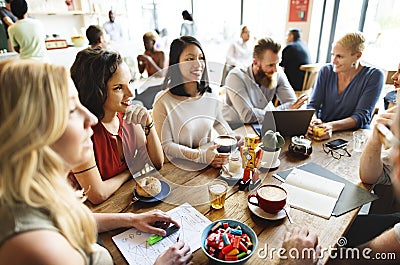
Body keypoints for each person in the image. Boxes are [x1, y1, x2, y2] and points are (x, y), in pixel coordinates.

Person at [0, 59, 192, 265]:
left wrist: (132, 220)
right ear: (30, 131)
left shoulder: (34, 192)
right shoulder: (40, 249)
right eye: (72, 109)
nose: (90, 118)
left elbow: (70, 218)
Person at [70, 47, 164, 204]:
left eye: (129, 83)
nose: (131, 94)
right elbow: (97, 194)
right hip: (89, 217)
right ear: (96, 91)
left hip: (123, 203)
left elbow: (156, 163)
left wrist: (149, 122)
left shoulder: (127, 114)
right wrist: (130, 171)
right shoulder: (82, 132)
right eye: (118, 88)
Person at [153, 36, 241, 169]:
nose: (198, 64)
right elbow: (165, 145)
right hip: (177, 168)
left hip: (208, 164)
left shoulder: (210, 94)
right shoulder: (163, 101)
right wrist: (200, 156)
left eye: (201, 58)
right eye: (190, 59)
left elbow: (218, 122)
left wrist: (232, 137)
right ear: (176, 63)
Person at [307, 32, 384, 140]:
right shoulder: (326, 71)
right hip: (323, 132)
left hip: (354, 136)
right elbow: (312, 105)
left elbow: (361, 116)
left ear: (358, 56)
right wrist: (313, 120)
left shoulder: (374, 76)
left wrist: (331, 126)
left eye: (339, 56)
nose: (333, 61)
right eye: (333, 54)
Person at [223, 36, 308, 125]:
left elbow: (292, 103)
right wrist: (281, 114)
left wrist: (275, 113)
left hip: (259, 123)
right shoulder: (236, 76)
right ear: (255, 62)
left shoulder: (276, 72)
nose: (275, 70)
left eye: (277, 63)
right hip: (234, 128)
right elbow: (247, 115)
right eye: (270, 65)